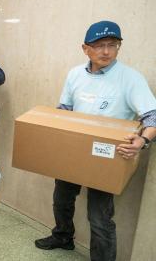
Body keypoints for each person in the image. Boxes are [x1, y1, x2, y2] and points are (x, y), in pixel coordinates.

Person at [34, 21, 156, 261]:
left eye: (113, 45)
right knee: (62, 200)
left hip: (107, 154)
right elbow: (65, 109)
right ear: (85, 48)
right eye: (99, 45)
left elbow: (152, 116)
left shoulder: (130, 78)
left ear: (119, 47)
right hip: (72, 150)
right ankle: (62, 236)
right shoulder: (74, 74)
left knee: (99, 216)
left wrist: (142, 140)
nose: (107, 51)